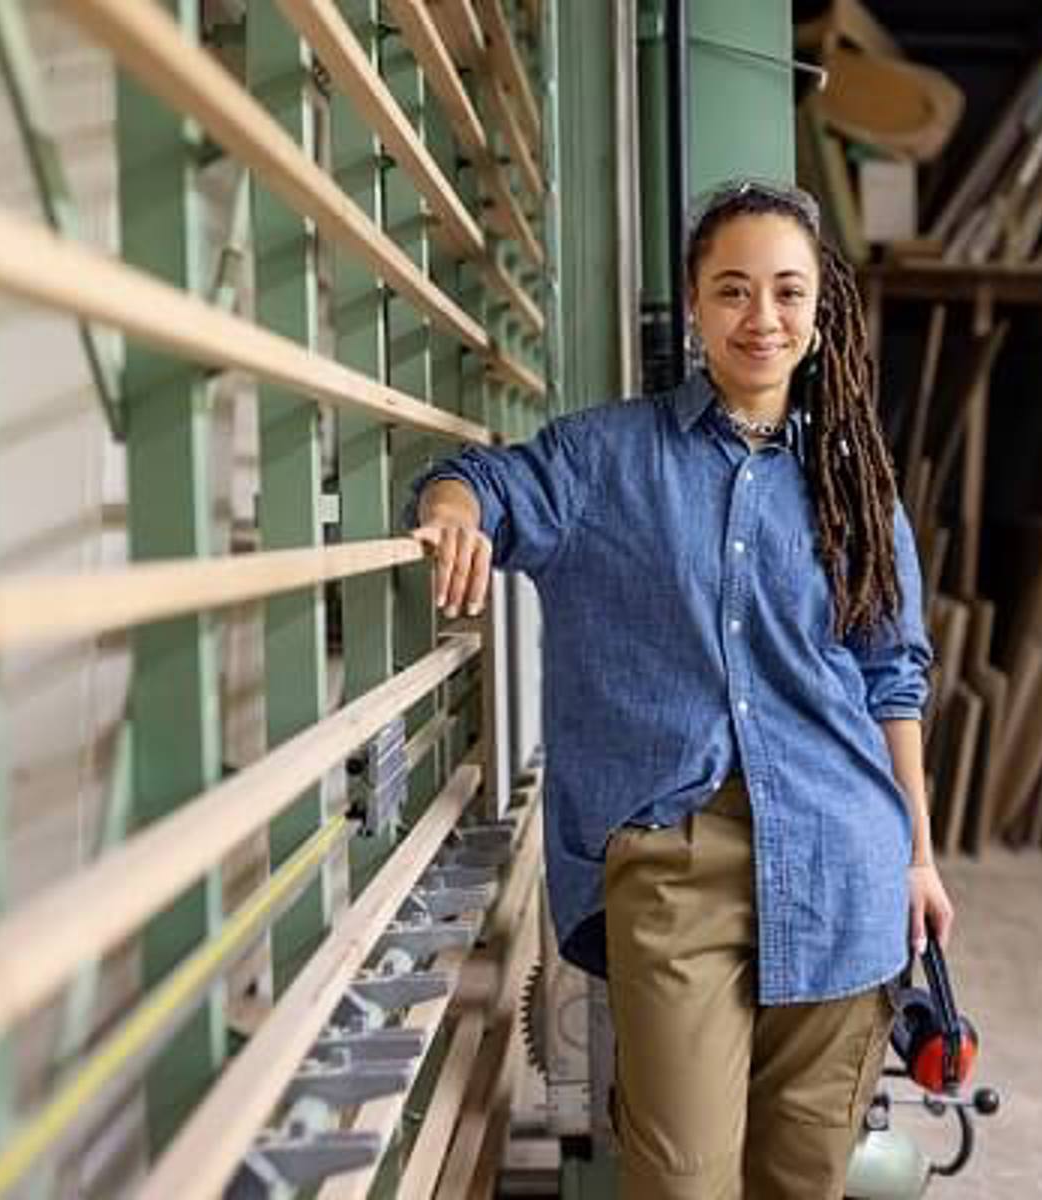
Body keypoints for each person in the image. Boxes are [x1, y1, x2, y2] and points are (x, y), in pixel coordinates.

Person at [406, 178, 955, 1199]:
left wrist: (918, 858)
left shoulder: (856, 486)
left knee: (804, 1178)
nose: (764, 318)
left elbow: (892, 679)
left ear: (820, 314)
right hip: (672, 866)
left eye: (788, 293)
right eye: (735, 291)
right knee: (682, 1178)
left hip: (843, 862)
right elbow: (480, 483)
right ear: (696, 307)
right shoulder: (606, 458)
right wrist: (450, 512)